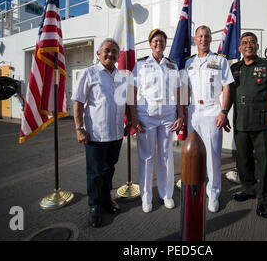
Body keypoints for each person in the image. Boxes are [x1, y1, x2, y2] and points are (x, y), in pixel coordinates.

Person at [227, 32, 267, 218]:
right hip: (241, 123)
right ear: (239, 48)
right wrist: (224, 113)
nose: (248, 45)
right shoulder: (234, 68)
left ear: (257, 45)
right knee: (243, 162)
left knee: (264, 163)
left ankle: (265, 199)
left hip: (263, 124)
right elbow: (228, 92)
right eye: (244, 43)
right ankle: (250, 189)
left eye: (252, 42)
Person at [72, 38, 131, 228]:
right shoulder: (89, 73)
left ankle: (106, 199)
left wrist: (129, 122)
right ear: (98, 53)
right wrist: (79, 128)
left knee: (110, 169)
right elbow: (78, 102)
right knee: (95, 173)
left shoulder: (122, 76)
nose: (111, 54)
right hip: (96, 134)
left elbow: (127, 102)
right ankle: (94, 206)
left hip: (115, 133)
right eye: (107, 50)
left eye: (115, 51)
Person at [129, 29, 184, 213]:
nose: (158, 43)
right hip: (146, 116)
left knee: (166, 155)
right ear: (150, 43)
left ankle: (166, 194)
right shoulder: (141, 64)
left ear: (165, 44)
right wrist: (133, 117)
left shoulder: (172, 65)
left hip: (168, 115)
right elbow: (131, 91)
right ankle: (146, 197)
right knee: (146, 157)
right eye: (155, 41)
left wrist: (181, 115)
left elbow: (179, 92)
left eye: (161, 41)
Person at [184, 25, 234, 213]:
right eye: (200, 36)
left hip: (213, 111)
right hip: (194, 112)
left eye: (206, 36)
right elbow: (185, 89)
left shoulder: (219, 61)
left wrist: (224, 111)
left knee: (213, 156)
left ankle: (213, 193)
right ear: (195, 40)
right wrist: (183, 113)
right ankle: (195, 185)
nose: (203, 39)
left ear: (211, 39)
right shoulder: (189, 63)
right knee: (193, 154)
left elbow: (227, 86)